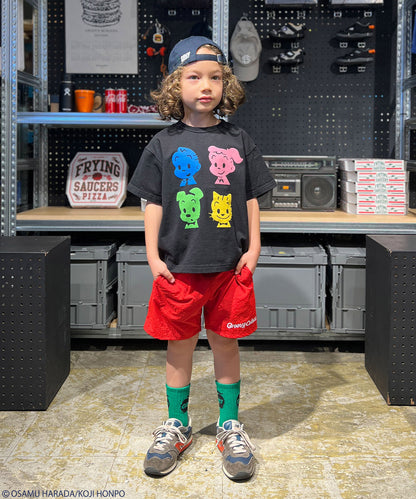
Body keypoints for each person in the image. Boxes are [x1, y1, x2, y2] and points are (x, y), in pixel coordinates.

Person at [127, 36, 276, 481]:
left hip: (230, 268)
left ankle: (230, 425)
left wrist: (254, 247)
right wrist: (152, 255)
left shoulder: (239, 139)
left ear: (226, 84)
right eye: (194, 77)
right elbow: (152, 203)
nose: (205, 86)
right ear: (177, 84)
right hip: (178, 269)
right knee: (180, 345)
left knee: (226, 343)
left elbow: (250, 197)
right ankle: (178, 425)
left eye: (215, 77)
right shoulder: (162, 144)